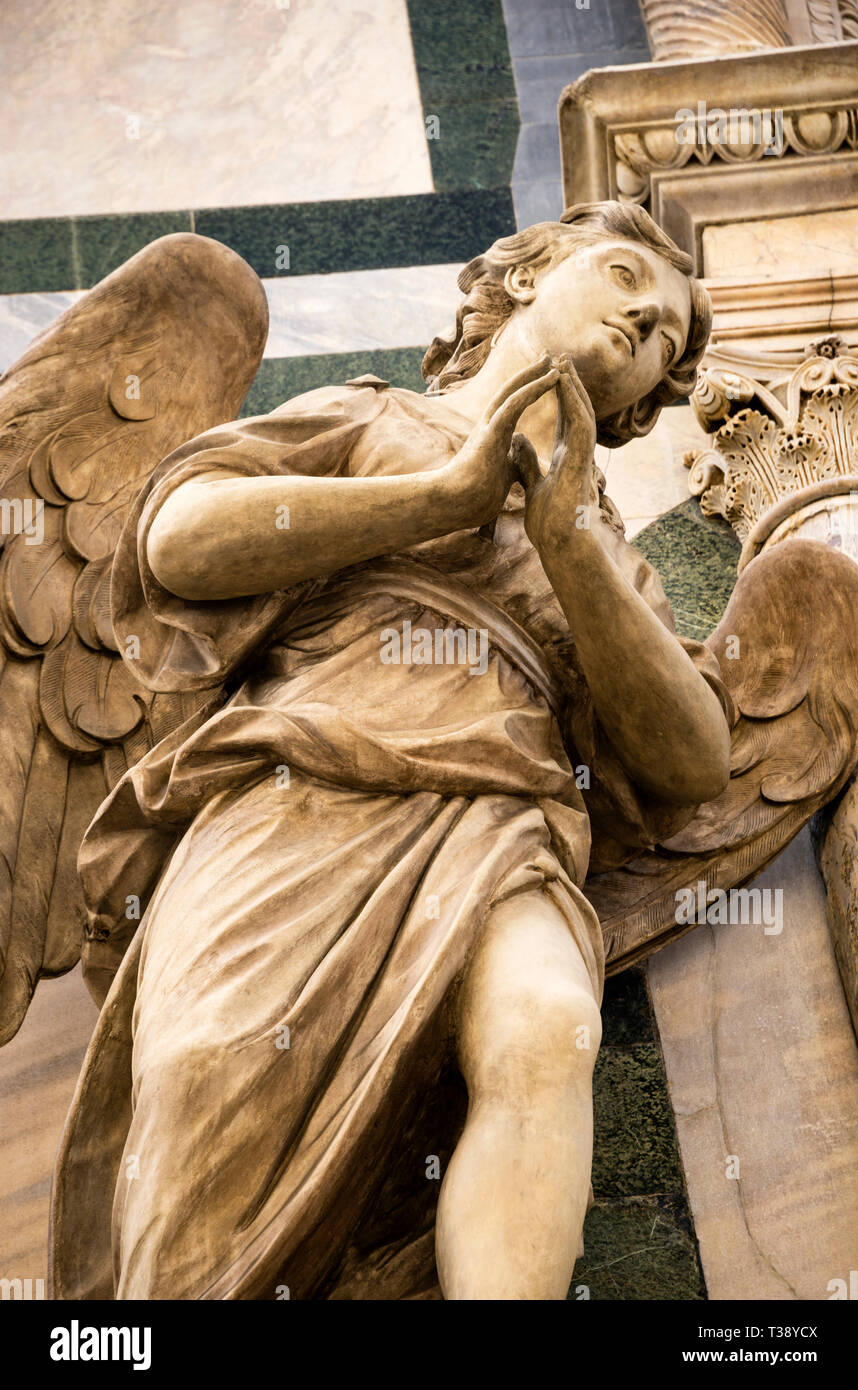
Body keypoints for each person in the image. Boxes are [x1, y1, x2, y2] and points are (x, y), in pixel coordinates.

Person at [53, 201, 732, 1301]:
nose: (643, 321)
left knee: (545, 1024)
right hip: (299, 791)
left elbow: (696, 760)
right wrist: (443, 494)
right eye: (622, 278)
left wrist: (569, 545)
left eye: (663, 337)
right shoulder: (374, 419)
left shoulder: (610, 552)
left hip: (502, 820)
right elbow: (180, 536)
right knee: (210, 1072)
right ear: (519, 275)